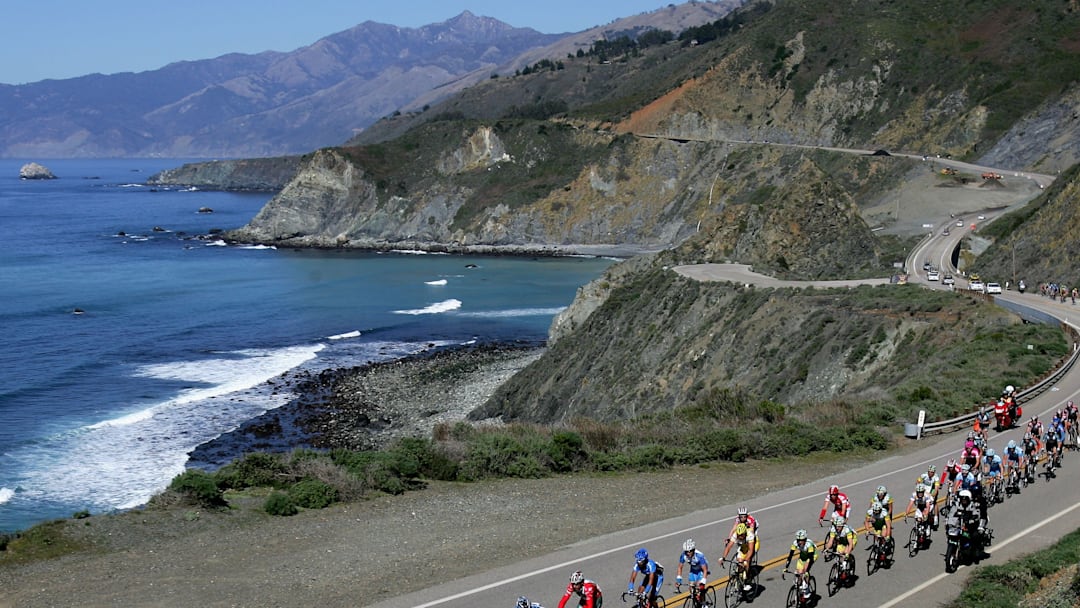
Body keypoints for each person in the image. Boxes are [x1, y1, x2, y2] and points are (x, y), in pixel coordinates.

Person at [721, 523, 756, 592]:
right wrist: (723, 558)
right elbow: (728, 547)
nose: (739, 537)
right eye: (738, 535)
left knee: (747, 562)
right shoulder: (735, 534)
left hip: (752, 545)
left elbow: (751, 550)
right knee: (740, 562)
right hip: (743, 546)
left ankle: (748, 581)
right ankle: (740, 578)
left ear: (745, 533)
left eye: (741, 535)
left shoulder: (750, 535)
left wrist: (745, 560)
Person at [784, 529, 816, 600]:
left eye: (801, 540)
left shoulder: (809, 545)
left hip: (811, 556)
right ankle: (800, 589)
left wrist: (807, 571)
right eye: (798, 540)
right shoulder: (795, 543)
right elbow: (790, 556)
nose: (799, 542)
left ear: (805, 540)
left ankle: (807, 589)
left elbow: (810, 559)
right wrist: (786, 567)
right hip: (803, 556)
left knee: (804, 571)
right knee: (798, 573)